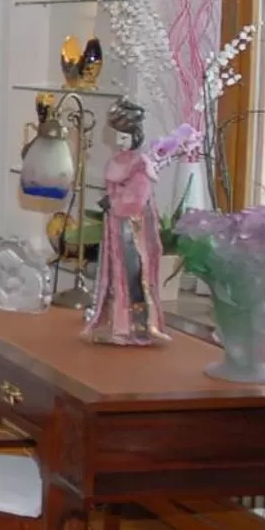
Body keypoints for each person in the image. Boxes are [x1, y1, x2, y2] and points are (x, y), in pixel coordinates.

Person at [85, 98, 168, 345]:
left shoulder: (140, 164)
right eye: (117, 137)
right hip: (116, 224)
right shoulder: (118, 161)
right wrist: (111, 200)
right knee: (114, 270)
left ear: (135, 136)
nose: (120, 142)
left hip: (133, 226)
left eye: (124, 137)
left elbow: (138, 197)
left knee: (133, 271)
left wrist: (115, 202)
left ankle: (137, 325)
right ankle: (115, 323)